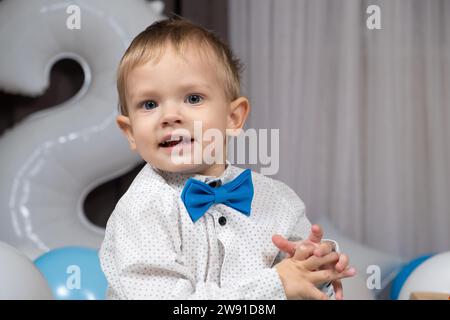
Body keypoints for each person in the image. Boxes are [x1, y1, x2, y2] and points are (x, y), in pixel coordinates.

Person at [99, 16, 355, 300]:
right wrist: (275, 286)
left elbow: (299, 284)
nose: (170, 116)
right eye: (149, 104)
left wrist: (316, 269)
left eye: (193, 98)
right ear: (130, 131)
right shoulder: (141, 211)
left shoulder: (278, 202)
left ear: (233, 117)